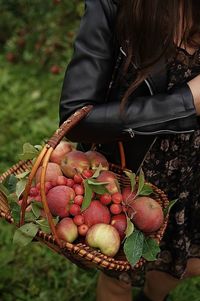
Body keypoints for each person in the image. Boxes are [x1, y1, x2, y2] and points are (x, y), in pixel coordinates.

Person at [59, 1, 200, 300]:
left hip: (195, 173)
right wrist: (186, 102)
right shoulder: (112, 5)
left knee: (183, 265)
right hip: (133, 180)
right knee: (118, 277)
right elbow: (77, 118)